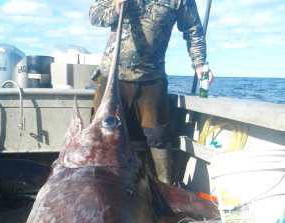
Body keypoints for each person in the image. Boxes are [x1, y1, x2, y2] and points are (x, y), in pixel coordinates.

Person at [89, 0, 213, 184]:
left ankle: (163, 188)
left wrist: (200, 64)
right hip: (113, 76)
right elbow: (94, 15)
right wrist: (115, 9)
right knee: (106, 133)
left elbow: (193, 29)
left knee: (158, 137)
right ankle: (103, 186)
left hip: (152, 79)